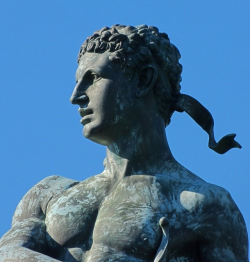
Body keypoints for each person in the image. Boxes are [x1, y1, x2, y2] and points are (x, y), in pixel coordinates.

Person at [0, 24, 248, 262]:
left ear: (143, 80)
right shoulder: (49, 194)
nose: (76, 97)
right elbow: (7, 253)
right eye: (78, 81)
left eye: (93, 78)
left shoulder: (207, 204)